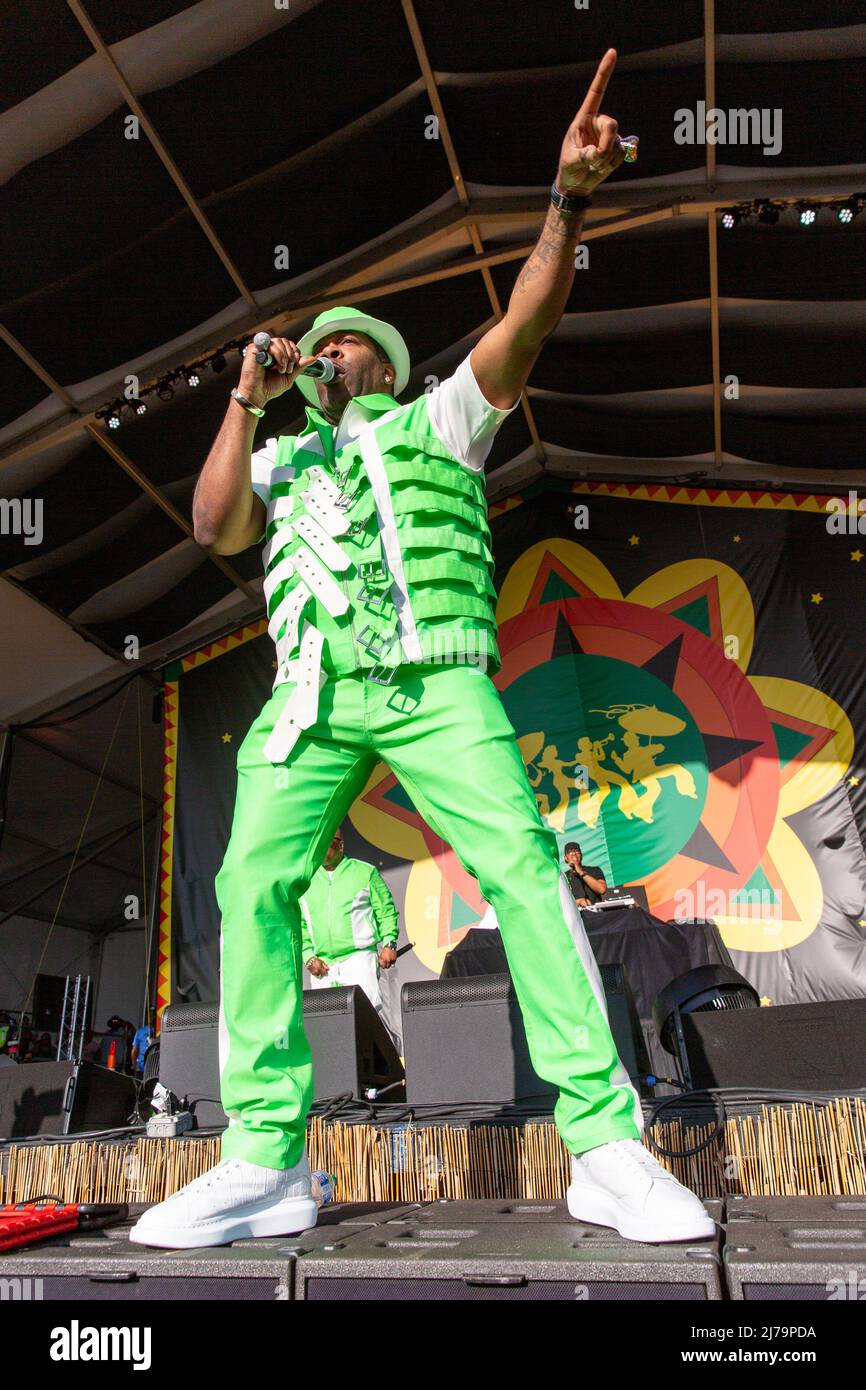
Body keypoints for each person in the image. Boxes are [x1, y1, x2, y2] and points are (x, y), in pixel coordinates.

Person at [131, 49, 714, 1250]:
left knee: (521, 865)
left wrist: (564, 200)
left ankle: (603, 1145)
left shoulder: (442, 417)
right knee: (248, 886)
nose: (324, 354)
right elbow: (207, 527)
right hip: (310, 698)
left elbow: (528, 319)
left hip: (433, 677)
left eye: (345, 347)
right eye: (319, 344)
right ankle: (263, 1159)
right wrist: (244, 398)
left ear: (384, 368)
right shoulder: (280, 459)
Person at [301, 828, 398, 1017]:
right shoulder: (306, 880)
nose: (320, 850)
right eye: (316, 846)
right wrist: (309, 957)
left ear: (340, 844)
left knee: (365, 1019)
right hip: (323, 965)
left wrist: (389, 944)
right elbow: (302, 924)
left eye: (326, 845)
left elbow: (386, 912)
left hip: (358, 959)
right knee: (326, 1023)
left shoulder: (365, 872)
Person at [563, 842, 608, 906]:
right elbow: (561, 901)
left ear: (581, 855)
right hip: (575, 914)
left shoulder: (595, 870)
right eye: (570, 852)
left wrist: (581, 872)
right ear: (565, 858)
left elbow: (602, 890)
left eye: (577, 851)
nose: (574, 853)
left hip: (596, 912)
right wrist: (578, 902)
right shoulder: (563, 877)